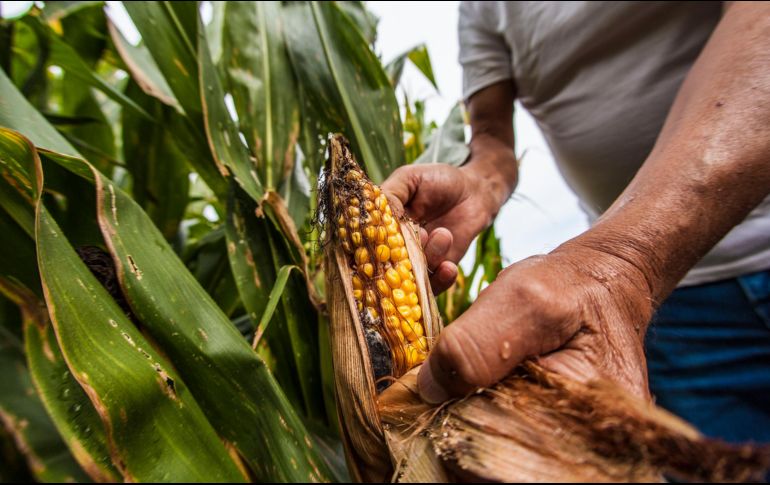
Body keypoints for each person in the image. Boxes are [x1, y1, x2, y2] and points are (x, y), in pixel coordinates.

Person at [382, 1, 770, 445]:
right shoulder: (482, 10)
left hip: (644, 277)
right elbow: (491, 139)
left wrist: (619, 267)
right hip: (669, 306)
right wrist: (479, 186)